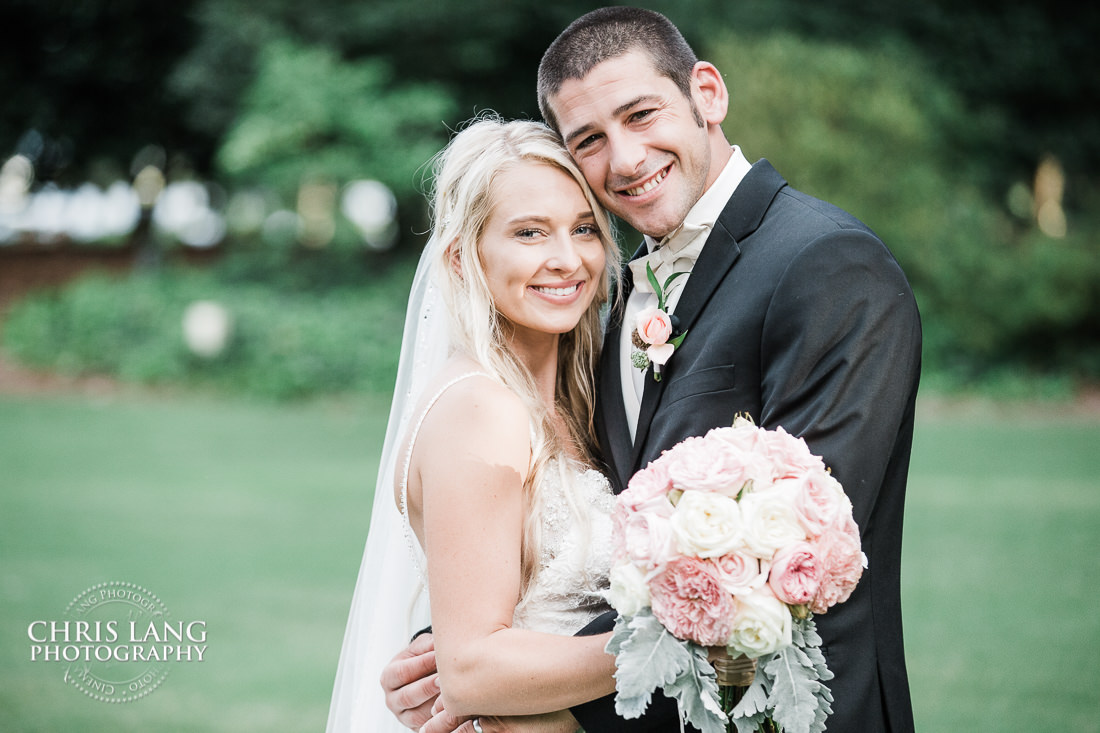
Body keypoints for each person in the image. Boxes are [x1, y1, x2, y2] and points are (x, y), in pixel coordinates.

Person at [386, 6, 923, 733]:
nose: (628, 158)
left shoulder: (826, 265)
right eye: (590, 142)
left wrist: (509, 684)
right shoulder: (609, 307)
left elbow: (784, 560)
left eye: (641, 115)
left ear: (708, 92)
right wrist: (470, 649)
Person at [326, 115, 628, 733]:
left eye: (584, 229)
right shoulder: (480, 411)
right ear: (464, 258)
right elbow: (472, 670)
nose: (567, 259)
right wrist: (684, 644)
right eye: (529, 233)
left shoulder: (582, 399)